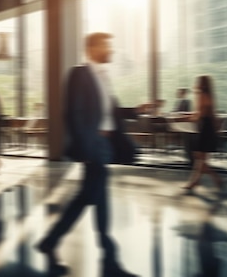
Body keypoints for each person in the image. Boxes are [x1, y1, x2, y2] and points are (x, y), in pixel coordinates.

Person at [36, 32, 138, 277]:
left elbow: (108, 111)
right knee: (95, 201)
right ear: (92, 48)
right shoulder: (78, 74)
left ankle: (51, 242)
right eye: (106, 46)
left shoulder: (103, 77)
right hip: (93, 146)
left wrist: (137, 110)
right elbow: (74, 114)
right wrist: (85, 148)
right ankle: (110, 262)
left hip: (104, 145)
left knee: (88, 199)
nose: (111, 50)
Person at [181, 75, 223, 193]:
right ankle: (203, 181)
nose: (196, 83)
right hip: (207, 127)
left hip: (204, 128)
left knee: (199, 157)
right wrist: (191, 116)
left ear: (201, 83)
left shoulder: (201, 95)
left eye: (198, 81)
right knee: (200, 158)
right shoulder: (209, 95)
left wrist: (185, 118)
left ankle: (196, 182)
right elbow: (202, 112)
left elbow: (200, 114)